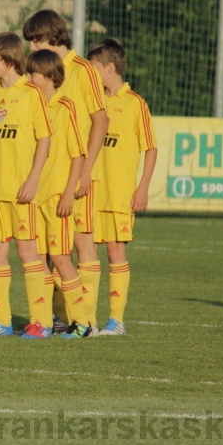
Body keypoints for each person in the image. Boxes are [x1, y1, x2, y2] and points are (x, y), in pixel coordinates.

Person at [23, 9, 107, 330]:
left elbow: (100, 119)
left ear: (52, 35)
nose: (31, 47)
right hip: (48, 177)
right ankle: (59, 318)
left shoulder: (83, 70)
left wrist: (85, 171)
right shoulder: (37, 74)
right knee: (49, 252)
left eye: (35, 39)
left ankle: (88, 321)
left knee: (82, 245)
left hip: (78, 173)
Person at [0, 32, 51, 337]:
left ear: (8, 58)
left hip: (21, 189)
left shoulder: (31, 93)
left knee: (27, 253)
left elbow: (44, 139)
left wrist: (33, 179)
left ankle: (41, 321)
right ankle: (2, 321)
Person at [87, 38, 157, 336]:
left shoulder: (134, 103)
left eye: (94, 68)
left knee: (115, 252)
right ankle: (86, 320)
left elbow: (150, 148)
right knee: (87, 253)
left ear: (110, 67)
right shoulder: (93, 102)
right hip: (90, 191)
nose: (90, 74)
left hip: (118, 194)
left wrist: (142, 189)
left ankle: (116, 320)